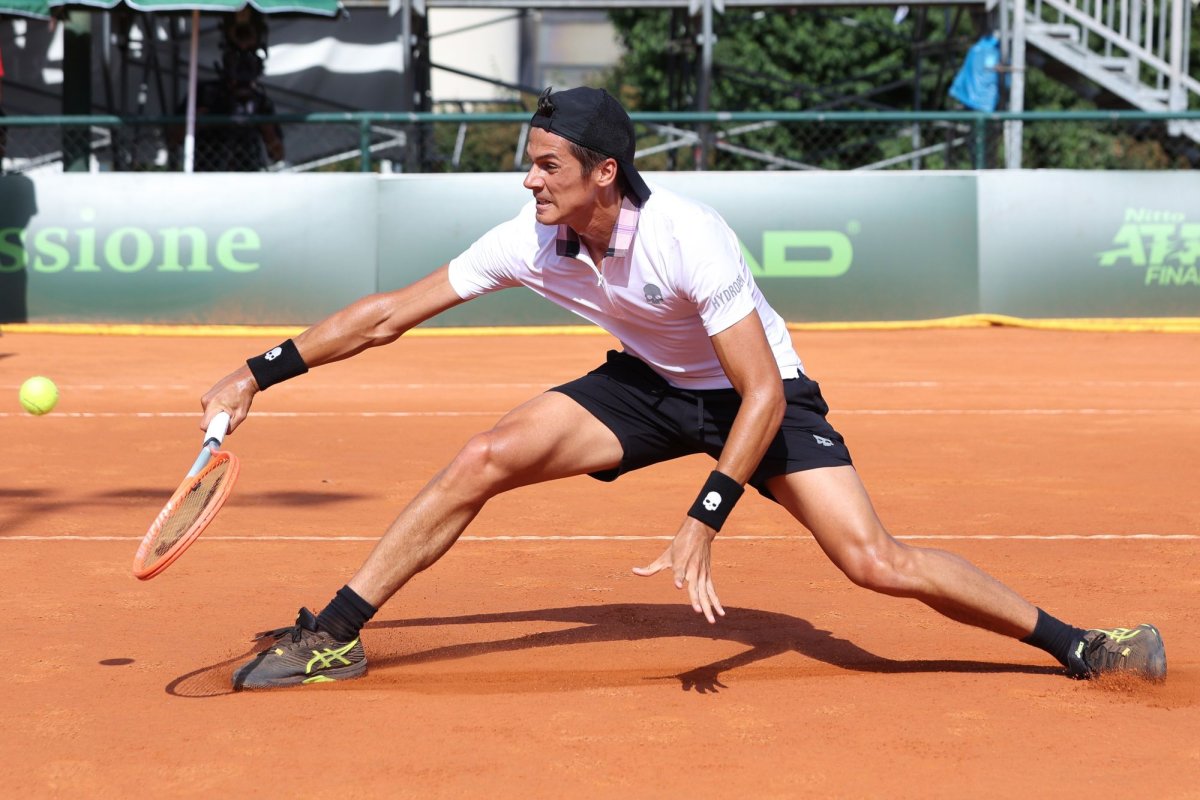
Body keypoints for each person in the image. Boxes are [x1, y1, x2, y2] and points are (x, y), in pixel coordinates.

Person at [199, 86, 1167, 690]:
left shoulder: (685, 235)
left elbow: (759, 397)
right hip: (647, 385)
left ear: (604, 172)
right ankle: (336, 632)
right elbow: (385, 316)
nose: (528, 183)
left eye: (545, 166)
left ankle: (1084, 642)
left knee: (875, 560)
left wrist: (706, 515)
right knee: (482, 456)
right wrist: (257, 372)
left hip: (760, 397)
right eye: (527, 165)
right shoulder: (531, 240)